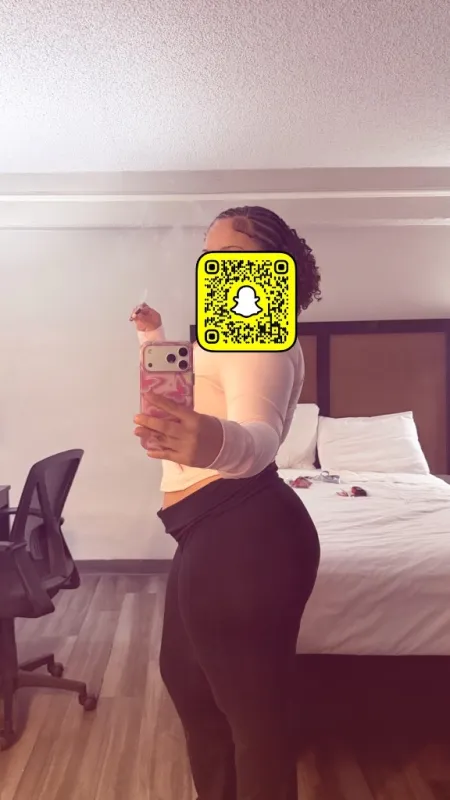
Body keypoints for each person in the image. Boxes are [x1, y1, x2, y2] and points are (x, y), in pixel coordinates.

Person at [131, 206, 321, 800]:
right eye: (210, 255)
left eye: (232, 254)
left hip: (245, 531)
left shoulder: (259, 334)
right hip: (211, 529)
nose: (217, 264)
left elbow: (260, 438)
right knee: (190, 686)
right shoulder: (231, 333)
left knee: (255, 722)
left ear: (272, 266)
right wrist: (152, 340)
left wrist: (213, 442)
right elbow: (201, 393)